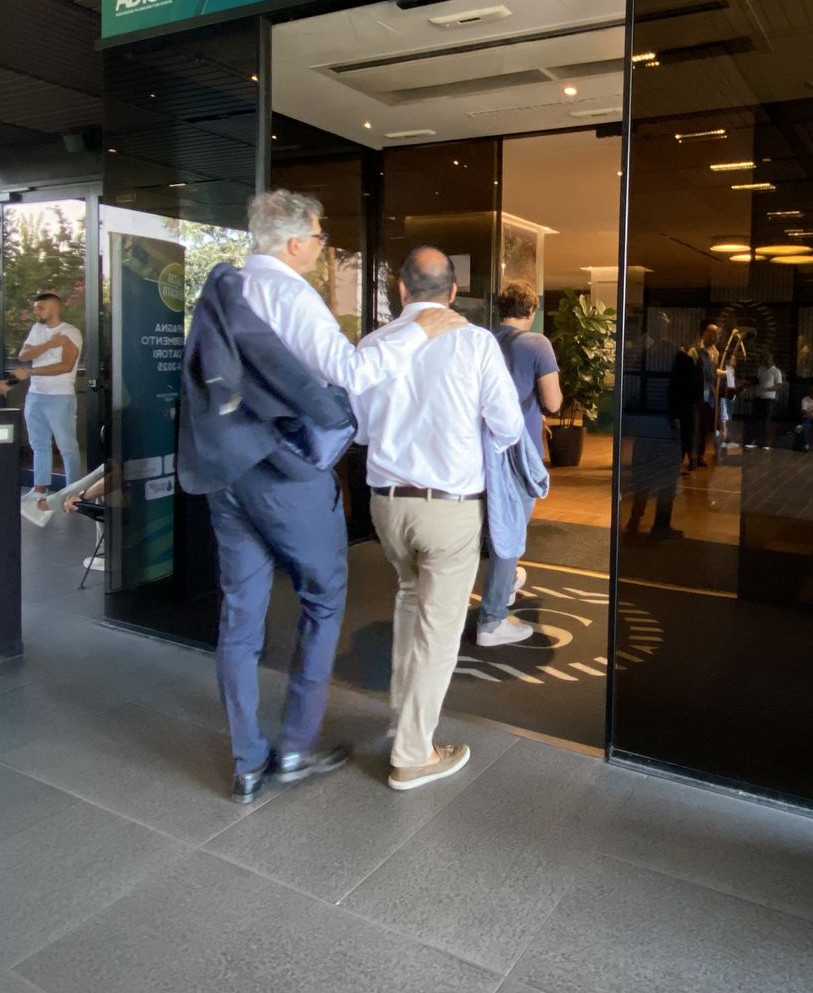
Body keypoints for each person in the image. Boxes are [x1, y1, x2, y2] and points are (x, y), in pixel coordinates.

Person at [181, 190, 463, 804]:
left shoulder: (226, 288)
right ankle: (294, 747)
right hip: (284, 473)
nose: (321, 244)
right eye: (317, 235)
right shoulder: (291, 295)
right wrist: (420, 330)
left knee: (240, 616)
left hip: (228, 473)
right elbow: (352, 373)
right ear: (294, 243)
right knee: (323, 597)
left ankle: (247, 761)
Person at [355, 247, 523, 792]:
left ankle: (403, 719)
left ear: (401, 291)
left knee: (409, 601)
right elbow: (507, 426)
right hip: (449, 508)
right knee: (439, 632)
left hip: (387, 503)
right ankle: (412, 754)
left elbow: (361, 429)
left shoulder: (374, 343)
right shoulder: (475, 343)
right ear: (453, 292)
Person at [475, 281, 560, 648]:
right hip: (517, 448)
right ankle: (492, 619)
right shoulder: (537, 344)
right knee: (509, 530)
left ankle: (507, 584)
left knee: (489, 525)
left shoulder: (482, 341)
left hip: (479, 447)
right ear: (532, 309)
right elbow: (553, 402)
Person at [11, 293, 82, 494]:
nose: (36, 311)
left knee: (67, 446)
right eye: (35, 308)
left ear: (54, 308)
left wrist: (32, 371)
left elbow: (66, 366)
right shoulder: (37, 329)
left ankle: (72, 492)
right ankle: (40, 489)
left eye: (40, 307)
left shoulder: (70, 332)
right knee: (38, 444)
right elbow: (24, 355)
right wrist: (49, 344)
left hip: (60, 396)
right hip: (35, 395)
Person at [667, 322, 719, 472]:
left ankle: (701, 454)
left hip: (709, 394)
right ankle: (692, 456)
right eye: (712, 333)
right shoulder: (694, 350)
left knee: (704, 426)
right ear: (704, 333)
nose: (715, 337)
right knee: (693, 426)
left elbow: (714, 372)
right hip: (695, 394)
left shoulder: (715, 352)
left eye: (716, 334)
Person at [746, 352, 782, 448]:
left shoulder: (776, 371)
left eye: (767, 359)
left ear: (771, 360)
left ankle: (766, 443)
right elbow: (758, 380)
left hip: (769, 399)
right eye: (764, 359)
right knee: (755, 420)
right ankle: (753, 441)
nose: (765, 361)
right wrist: (750, 382)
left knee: (766, 421)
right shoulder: (761, 369)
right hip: (759, 397)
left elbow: (778, 386)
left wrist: (768, 389)